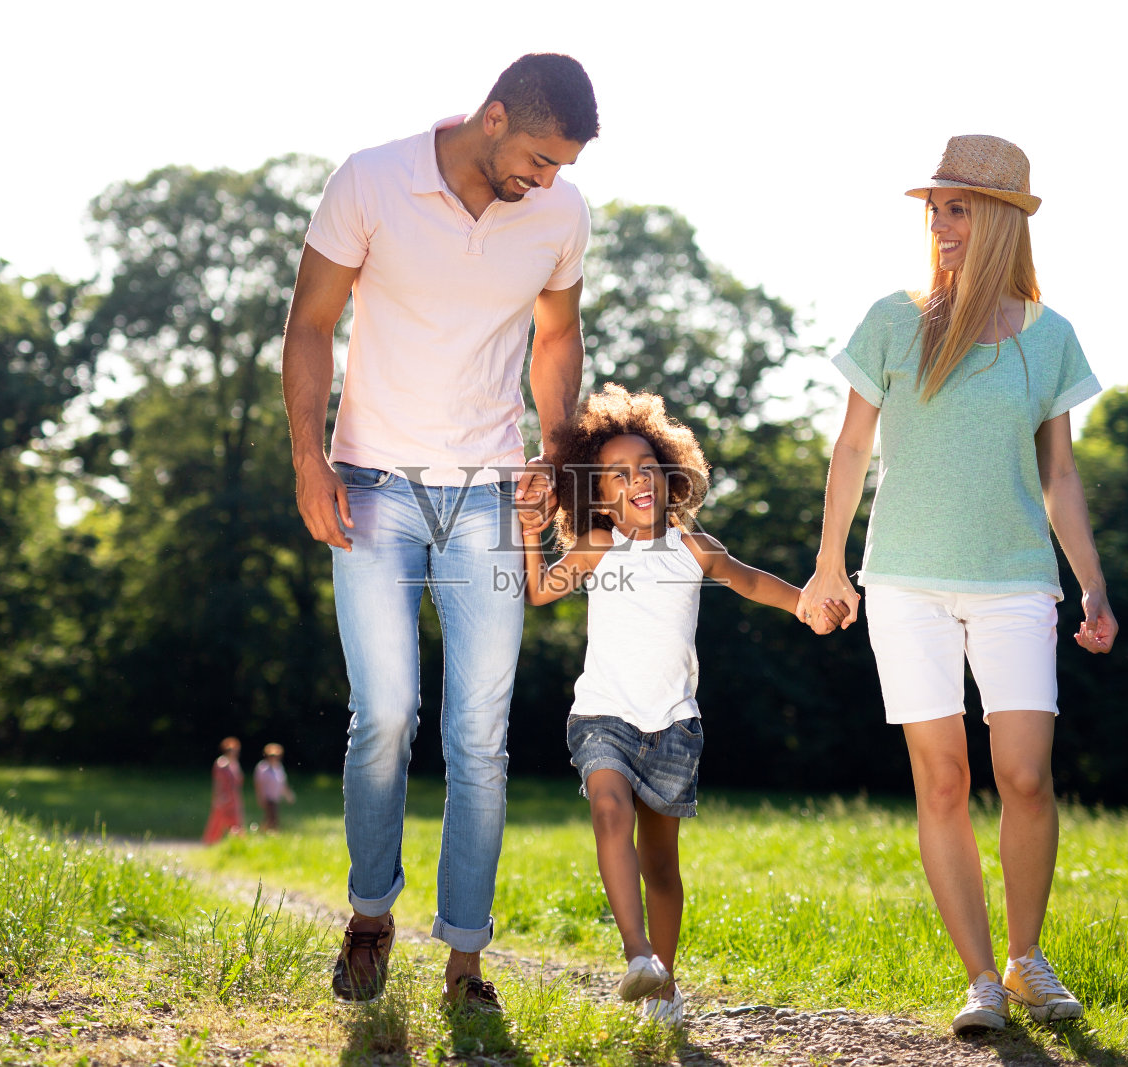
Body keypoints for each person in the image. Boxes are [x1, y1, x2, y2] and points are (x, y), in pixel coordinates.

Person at [280, 53, 599, 1010]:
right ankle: (371, 915)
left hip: (493, 497)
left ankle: (465, 959)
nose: (548, 181)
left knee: (481, 734)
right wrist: (307, 455)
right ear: (493, 116)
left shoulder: (560, 215)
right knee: (383, 714)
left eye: (562, 168)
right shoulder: (371, 179)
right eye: (540, 158)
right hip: (371, 484)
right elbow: (310, 323)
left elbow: (557, 335)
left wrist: (555, 449)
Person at [799, 135, 1118, 1035]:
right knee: (942, 781)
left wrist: (1091, 583)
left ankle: (1026, 959)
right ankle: (980, 976)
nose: (940, 221)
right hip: (902, 582)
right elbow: (852, 447)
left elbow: (1058, 474)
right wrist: (830, 563)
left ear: (1005, 220)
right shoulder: (894, 319)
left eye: (959, 205)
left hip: (1018, 579)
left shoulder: (1049, 337)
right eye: (935, 206)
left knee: (1023, 772)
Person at [524, 385, 848, 1025]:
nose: (635, 480)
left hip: (672, 724)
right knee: (609, 812)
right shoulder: (597, 546)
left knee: (661, 865)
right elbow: (537, 591)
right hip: (604, 716)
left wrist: (805, 605)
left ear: (668, 476)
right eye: (616, 475)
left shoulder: (691, 546)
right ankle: (639, 957)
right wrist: (530, 533)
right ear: (598, 496)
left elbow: (750, 580)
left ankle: (665, 987)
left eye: (646, 467)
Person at [202, 737, 245, 844]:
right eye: (231, 750)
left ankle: (238, 843)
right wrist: (218, 797)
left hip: (234, 797)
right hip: (224, 798)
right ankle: (210, 843)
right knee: (218, 822)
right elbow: (218, 782)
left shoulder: (235, 764)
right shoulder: (221, 763)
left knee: (236, 822)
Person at [253, 743, 296, 830]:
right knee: (272, 818)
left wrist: (288, 795)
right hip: (267, 797)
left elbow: (283, 783)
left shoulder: (279, 767)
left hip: (275, 797)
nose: (273, 758)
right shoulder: (262, 768)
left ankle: (263, 833)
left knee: (270, 818)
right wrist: (260, 797)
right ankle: (270, 834)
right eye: (271, 755)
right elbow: (258, 784)